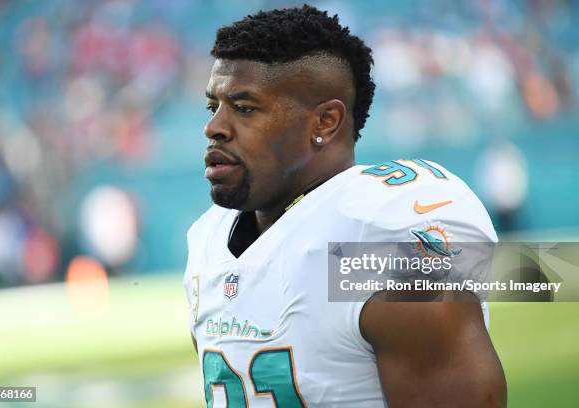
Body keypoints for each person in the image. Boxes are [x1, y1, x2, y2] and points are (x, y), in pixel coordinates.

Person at [183, 5, 506, 407]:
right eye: (212, 106)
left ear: (325, 122)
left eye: (244, 108)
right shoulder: (207, 239)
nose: (213, 126)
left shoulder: (376, 239)